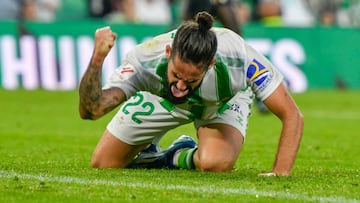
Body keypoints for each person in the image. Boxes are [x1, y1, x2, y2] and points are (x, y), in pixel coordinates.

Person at [78, 11, 303, 176]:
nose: (182, 86)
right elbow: (91, 110)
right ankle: (150, 149)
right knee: (104, 162)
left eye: (191, 79)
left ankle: (174, 155)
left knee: (215, 164)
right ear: (168, 52)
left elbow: (292, 115)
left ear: (211, 64)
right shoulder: (144, 60)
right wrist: (97, 59)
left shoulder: (239, 57)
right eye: (176, 74)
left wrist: (280, 173)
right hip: (162, 99)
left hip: (221, 102)